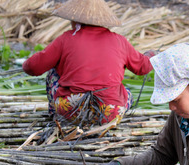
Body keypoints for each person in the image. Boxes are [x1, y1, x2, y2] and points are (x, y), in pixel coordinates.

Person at [22, 0, 154, 126]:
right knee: (126, 92)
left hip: (71, 111)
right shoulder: (120, 41)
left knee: (52, 73)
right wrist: (151, 54)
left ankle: (55, 116)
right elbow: (143, 67)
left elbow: (33, 67)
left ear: (76, 21)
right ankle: (106, 123)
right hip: (109, 113)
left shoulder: (66, 38)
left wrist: (26, 64)